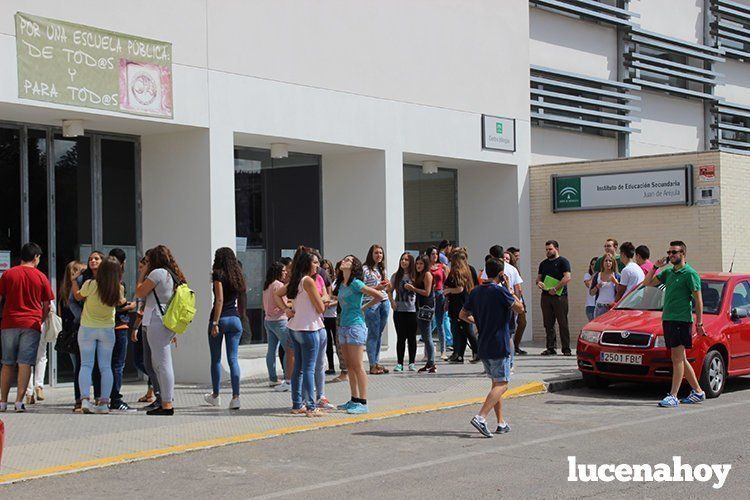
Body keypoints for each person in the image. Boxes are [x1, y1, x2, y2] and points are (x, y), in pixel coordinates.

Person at [460, 258, 524, 438]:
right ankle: (481, 417)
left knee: (495, 383)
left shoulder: (476, 292)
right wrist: (510, 289)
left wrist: (478, 321)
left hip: (484, 345)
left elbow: (463, 314)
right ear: (502, 274)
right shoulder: (501, 292)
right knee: (503, 384)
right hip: (499, 343)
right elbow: (519, 309)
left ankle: (501, 422)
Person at [644, 241, 706, 407]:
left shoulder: (690, 273)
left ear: (683, 254)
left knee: (677, 358)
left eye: (674, 252)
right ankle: (698, 392)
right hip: (668, 319)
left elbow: (698, 299)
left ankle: (673, 395)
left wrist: (699, 323)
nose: (671, 255)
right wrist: (655, 267)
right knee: (681, 358)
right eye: (669, 252)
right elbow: (647, 283)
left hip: (682, 320)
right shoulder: (668, 272)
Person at [0, 243, 54, 413]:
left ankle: (2, 402)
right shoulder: (40, 277)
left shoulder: (8, 274)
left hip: (9, 323)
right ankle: (18, 402)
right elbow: (46, 305)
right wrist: (41, 319)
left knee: (7, 363)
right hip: (31, 324)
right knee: (25, 363)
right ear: (36, 257)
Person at [135, 245, 188, 416]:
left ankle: (167, 404)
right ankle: (166, 401)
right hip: (165, 320)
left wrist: (142, 274)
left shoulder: (157, 273)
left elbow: (139, 292)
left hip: (157, 321)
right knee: (162, 363)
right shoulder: (173, 274)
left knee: (162, 364)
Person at [71, 256, 126, 414]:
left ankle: (85, 400)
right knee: (106, 367)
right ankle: (103, 403)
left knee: (86, 365)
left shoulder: (90, 284)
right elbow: (121, 302)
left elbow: (78, 296)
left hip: (87, 328)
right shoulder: (118, 288)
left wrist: (74, 280)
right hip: (107, 329)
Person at [277, 251, 327, 417]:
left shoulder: (296, 280)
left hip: (295, 327)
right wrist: (323, 298)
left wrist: (286, 310)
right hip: (309, 328)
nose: (318, 266)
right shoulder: (308, 281)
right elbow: (321, 308)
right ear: (307, 264)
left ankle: (297, 404)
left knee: (298, 367)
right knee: (308, 369)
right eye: (315, 263)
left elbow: (277, 294)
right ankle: (311, 407)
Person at [334, 255, 383, 414]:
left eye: (348, 260)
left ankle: (363, 402)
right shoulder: (342, 284)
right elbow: (337, 301)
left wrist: (363, 307)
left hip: (356, 326)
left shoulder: (356, 283)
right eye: (344, 259)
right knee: (349, 366)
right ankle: (354, 399)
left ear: (354, 265)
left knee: (357, 365)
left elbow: (378, 296)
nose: (344, 261)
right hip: (343, 326)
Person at [204, 247, 247, 410]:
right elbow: (243, 297)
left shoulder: (218, 274)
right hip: (235, 320)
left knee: (215, 359)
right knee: (233, 359)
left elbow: (219, 300)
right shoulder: (238, 275)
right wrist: (241, 317)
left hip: (220, 319)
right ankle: (236, 398)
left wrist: (215, 323)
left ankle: (216, 396)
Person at [107, 248, 137, 412]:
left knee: (106, 365)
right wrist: (131, 305)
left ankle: (103, 397)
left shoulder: (99, 281)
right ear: (123, 263)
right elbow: (118, 304)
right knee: (117, 365)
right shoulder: (117, 282)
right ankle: (115, 399)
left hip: (105, 326)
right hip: (119, 326)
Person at [57, 260, 86, 411]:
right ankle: (81, 398)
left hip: (70, 334)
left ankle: (79, 398)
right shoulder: (75, 295)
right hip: (78, 332)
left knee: (78, 368)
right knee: (83, 367)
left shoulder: (63, 294)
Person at [536, 240, 572, 356]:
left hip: (559, 297)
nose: (547, 251)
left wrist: (556, 288)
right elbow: (539, 278)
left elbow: (567, 277)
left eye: (550, 249)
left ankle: (566, 348)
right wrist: (539, 283)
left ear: (556, 249)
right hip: (546, 297)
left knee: (563, 323)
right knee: (548, 323)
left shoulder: (563, 261)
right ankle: (551, 347)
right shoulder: (543, 263)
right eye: (546, 249)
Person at [443, 251, 477, 363]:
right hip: (463, 303)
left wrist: (448, 291)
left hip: (459, 305)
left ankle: (477, 352)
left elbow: (459, 289)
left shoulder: (457, 272)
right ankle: (460, 355)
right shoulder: (467, 271)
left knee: (465, 331)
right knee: (462, 331)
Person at [263, 261, 292, 391]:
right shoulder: (279, 285)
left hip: (268, 320)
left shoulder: (267, 285)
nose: (285, 272)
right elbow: (284, 303)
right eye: (284, 270)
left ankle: (272, 378)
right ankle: (288, 377)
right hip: (280, 320)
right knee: (289, 349)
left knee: (271, 350)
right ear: (278, 272)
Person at [363, 245, 391, 374]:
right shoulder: (365, 269)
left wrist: (387, 285)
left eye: (380, 253)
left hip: (384, 301)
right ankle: (372, 364)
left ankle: (376, 362)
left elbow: (385, 287)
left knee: (379, 333)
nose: (379, 255)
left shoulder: (381, 269)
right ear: (371, 254)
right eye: (376, 253)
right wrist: (377, 287)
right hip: (371, 302)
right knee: (373, 334)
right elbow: (362, 288)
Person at [409, 255, 437, 373]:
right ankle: (430, 362)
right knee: (426, 336)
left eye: (421, 264)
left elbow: (427, 292)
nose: (418, 266)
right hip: (420, 307)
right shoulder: (420, 275)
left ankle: (432, 362)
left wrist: (413, 288)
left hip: (426, 308)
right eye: (417, 264)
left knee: (427, 336)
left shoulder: (427, 274)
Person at [389, 252, 417, 372]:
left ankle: (412, 362)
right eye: (402, 259)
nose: (403, 261)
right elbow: (389, 290)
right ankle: (399, 363)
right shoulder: (396, 276)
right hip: (399, 310)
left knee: (412, 338)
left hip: (412, 310)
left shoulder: (415, 276)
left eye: (406, 259)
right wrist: (392, 302)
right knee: (401, 337)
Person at [426, 246, 448, 361]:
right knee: (428, 324)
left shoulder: (442, 267)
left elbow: (447, 283)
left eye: (436, 254)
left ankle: (443, 350)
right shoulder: (426, 268)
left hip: (440, 295)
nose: (435, 256)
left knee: (440, 323)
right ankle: (427, 352)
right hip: (429, 295)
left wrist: (447, 299)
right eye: (433, 254)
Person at [505, 249, 527, 356]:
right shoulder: (507, 269)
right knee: (511, 327)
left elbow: (519, 288)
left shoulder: (514, 269)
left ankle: (515, 345)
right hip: (512, 299)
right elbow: (517, 288)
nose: (517, 258)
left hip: (517, 299)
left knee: (522, 323)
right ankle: (513, 347)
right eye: (516, 256)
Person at [321, 259, 338, 375]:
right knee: (328, 343)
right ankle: (331, 366)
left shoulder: (336, 282)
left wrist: (328, 304)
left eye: (328, 268)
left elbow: (338, 299)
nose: (326, 270)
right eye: (324, 268)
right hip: (324, 316)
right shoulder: (319, 283)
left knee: (339, 343)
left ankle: (344, 367)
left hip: (335, 315)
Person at [590, 254, 620, 319]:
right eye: (606, 261)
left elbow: (620, 292)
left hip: (611, 307)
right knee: (598, 328)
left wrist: (616, 282)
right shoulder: (597, 275)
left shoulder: (617, 276)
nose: (608, 263)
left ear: (613, 263)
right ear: (603, 263)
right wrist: (597, 286)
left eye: (610, 261)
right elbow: (591, 293)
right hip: (599, 307)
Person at [583, 257, 598, 322]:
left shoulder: (602, 276)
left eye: (596, 264)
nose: (594, 266)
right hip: (591, 306)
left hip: (600, 306)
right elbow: (589, 285)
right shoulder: (587, 275)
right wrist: (594, 274)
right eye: (592, 264)